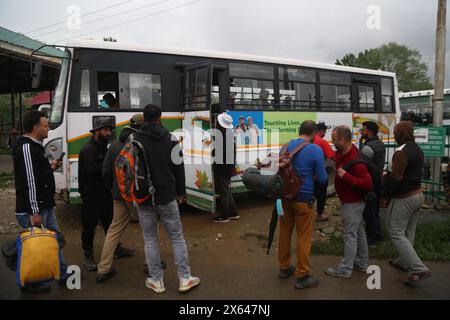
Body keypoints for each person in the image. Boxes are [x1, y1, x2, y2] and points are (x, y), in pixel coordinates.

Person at [134, 104, 200, 294]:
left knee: (150, 240)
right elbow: (179, 168)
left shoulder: (135, 139)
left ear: (144, 118)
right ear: (160, 117)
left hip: (144, 198)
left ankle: (156, 280)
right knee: (177, 237)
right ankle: (185, 278)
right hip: (167, 196)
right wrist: (181, 192)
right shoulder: (171, 138)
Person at [13, 110, 67, 293]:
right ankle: (30, 284)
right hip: (34, 210)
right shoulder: (27, 148)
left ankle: (62, 273)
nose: (48, 129)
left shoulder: (35, 147)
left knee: (54, 240)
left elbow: (37, 175)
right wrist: (34, 212)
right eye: (45, 126)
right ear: (35, 127)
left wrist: (50, 167)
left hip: (45, 206)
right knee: (34, 248)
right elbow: (29, 181)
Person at [78, 118, 133, 272]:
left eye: (110, 130)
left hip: (105, 194)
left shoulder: (104, 148)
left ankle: (115, 249)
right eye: (105, 130)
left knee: (111, 225)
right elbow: (92, 171)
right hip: (91, 196)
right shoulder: (89, 149)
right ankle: (88, 256)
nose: (109, 133)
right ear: (96, 131)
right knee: (89, 227)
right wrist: (112, 164)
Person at [95, 115, 145, 283]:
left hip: (119, 195)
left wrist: (114, 189)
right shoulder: (141, 143)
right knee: (149, 230)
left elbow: (106, 171)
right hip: (137, 197)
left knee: (113, 231)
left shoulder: (114, 145)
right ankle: (151, 264)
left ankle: (103, 269)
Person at [278, 120, 327, 289]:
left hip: (284, 198)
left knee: (284, 232)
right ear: (313, 134)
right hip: (303, 199)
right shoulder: (315, 149)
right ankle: (302, 275)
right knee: (303, 238)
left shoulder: (284, 147)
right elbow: (322, 179)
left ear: (299, 131)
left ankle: (284, 268)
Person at [381, 121, 431, 285]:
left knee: (395, 232)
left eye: (395, 133)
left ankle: (419, 268)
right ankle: (404, 262)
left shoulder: (401, 152)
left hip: (404, 198)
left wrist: (385, 195)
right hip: (417, 195)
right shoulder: (417, 149)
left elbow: (396, 177)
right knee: (409, 231)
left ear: (401, 134)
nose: (394, 136)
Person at [324, 125, 372, 278]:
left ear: (342, 140)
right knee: (359, 232)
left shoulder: (354, 159)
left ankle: (345, 269)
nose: (332, 142)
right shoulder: (342, 153)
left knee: (350, 235)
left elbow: (367, 183)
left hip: (353, 203)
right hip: (349, 201)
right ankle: (362, 263)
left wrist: (346, 177)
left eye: (334, 140)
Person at [360, 121, 385, 245]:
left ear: (369, 131)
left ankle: (371, 238)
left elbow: (363, 168)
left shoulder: (367, 148)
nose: (361, 132)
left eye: (363, 130)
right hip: (378, 180)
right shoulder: (380, 144)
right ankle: (378, 234)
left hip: (370, 182)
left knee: (369, 212)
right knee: (375, 211)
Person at [213, 112, 240, 223]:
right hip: (229, 168)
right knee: (227, 191)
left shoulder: (221, 138)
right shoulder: (229, 136)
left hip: (222, 169)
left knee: (224, 192)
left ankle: (224, 216)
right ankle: (234, 213)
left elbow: (216, 153)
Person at [313, 122, 335, 222]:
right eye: (325, 132)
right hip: (318, 175)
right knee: (322, 194)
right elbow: (332, 157)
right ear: (321, 131)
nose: (324, 134)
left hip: (307, 175)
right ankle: (319, 214)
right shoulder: (322, 142)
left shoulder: (307, 140)